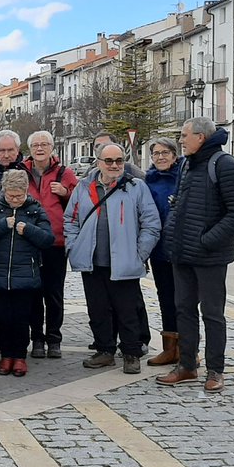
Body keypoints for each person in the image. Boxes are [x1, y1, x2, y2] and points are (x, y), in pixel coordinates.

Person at [157, 118, 234, 393]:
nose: (181, 140)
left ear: (200, 137)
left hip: (211, 255)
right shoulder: (188, 163)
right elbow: (181, 202)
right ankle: (187, 365)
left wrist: (207, 240)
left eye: (184, 135)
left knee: (212, 314)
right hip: (182, 252)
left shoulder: (225, 165)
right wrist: (172, 235)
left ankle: (215, 370)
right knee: (183, 310)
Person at [64, 143, 161, 375]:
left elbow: (151, 223)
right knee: (97, 310)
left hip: (125, 262)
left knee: (127, 311)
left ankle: (131, 353)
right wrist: (74, 247)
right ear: (98, 163)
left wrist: (139, 254)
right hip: (92, 261)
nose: (115, 165)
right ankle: (104, 350)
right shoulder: (84, 187)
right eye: (109, 161)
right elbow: (71, 220)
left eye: (119, 160)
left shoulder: (136, 187)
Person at [0, 170, 55, 377]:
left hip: (26, 276)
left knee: (21, 319)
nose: (14, 200)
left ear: (25, 192)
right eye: (10, 196)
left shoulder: (35, 209)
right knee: (2, 319)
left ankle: (20, 356)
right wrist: (3, 225)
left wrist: (28, 229)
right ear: (4, 192)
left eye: (18, 196)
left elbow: (48, 239)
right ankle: (6, 355)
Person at [22, 131, 79, 359]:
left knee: (54, 293)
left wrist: (65, 192)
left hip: (56, 242)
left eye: (44, 144)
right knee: (33, 292)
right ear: (30, 149)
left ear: (52, 147)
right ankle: (36, 338)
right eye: (35, 145)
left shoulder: (64, 173)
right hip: (30, 241)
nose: (39, 148)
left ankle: (54, 339)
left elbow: (78, 200)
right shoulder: (22, 172)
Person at [144, 136, 183, 369]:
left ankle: (188, 349)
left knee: (185, 303)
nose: (160, 157)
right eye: (156, 154)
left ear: (174, 156)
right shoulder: (148, 181)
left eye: (165, 153)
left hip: (182, 251)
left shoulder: (184, 178)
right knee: (165, 300)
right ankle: (170, 349)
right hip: (159, 251)